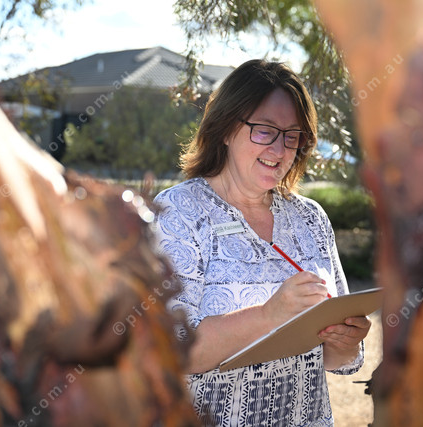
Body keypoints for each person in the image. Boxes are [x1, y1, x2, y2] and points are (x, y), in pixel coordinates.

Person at [153, 59, 371, 426]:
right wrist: (270, 315)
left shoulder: (310, 218)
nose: (280, 149)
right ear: (225, 128)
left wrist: (345, 340)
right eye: (265, 131)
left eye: (292, 136)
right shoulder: (179, 211)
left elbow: (339, 360)